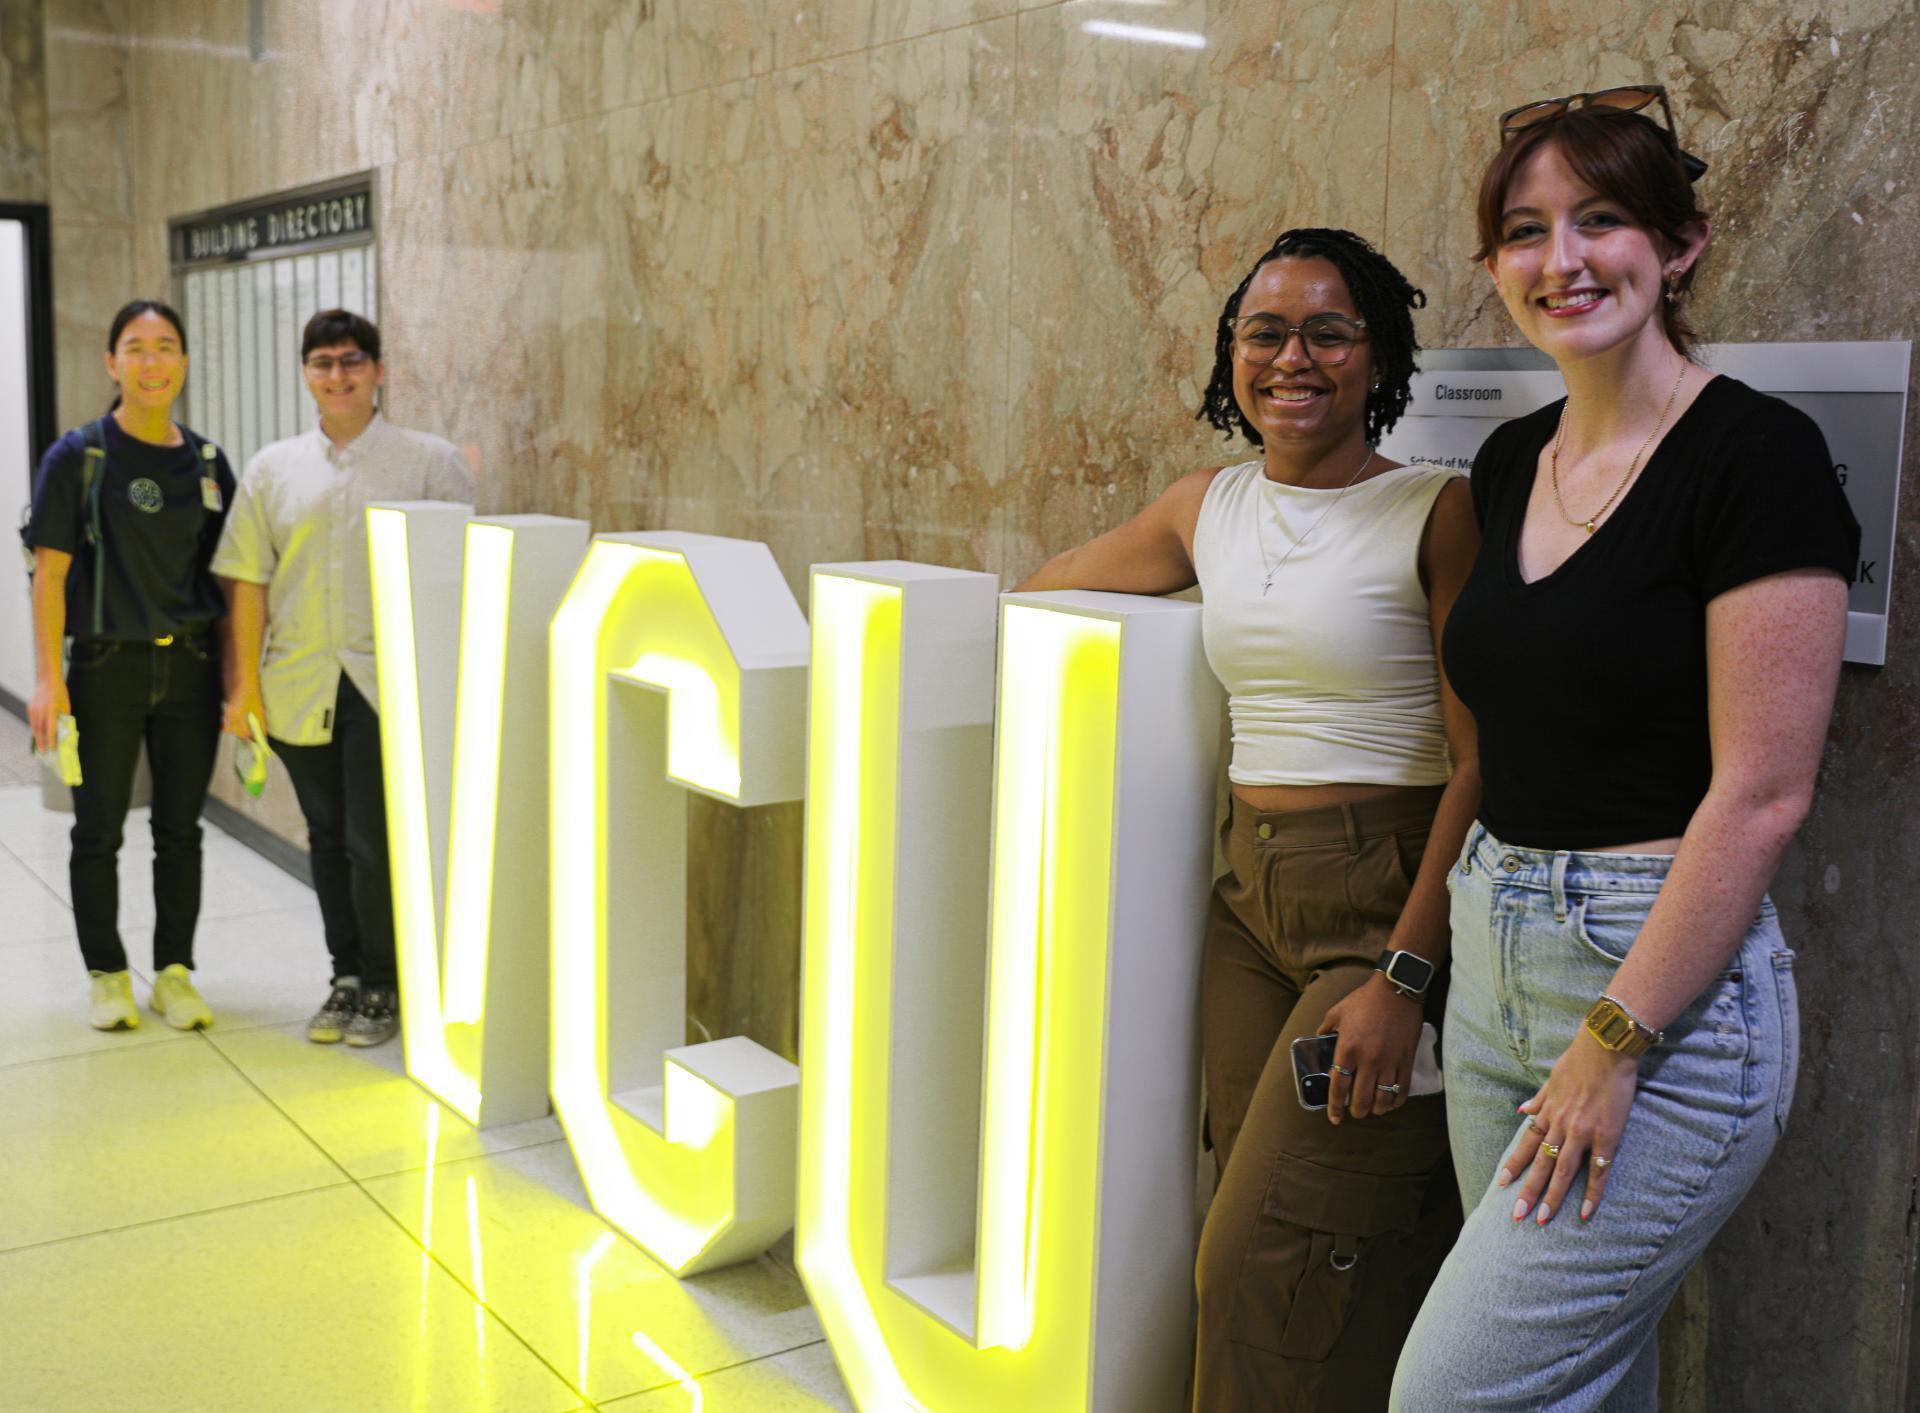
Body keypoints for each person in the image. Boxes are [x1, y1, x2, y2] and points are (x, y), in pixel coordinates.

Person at [1389, 90, 1860, 1411]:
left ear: (1680, 244)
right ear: (1493, 267)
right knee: (1579, 1379)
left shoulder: (1756, 458)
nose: (1565, 259)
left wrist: (1614, 1038)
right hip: (1496, 952)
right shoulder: (1509, 460)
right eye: (1526, 231)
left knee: (1454, 1392)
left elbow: (1764, 796)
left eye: (1602, 221)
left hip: (1660, 991)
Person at [1018, 228, 1481, 1410]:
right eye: (1265, 332)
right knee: (1275, 1222)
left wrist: (1407, 972)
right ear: (1231, 354)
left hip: (1378, 902)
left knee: (1264, 1255)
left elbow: (1485, 760)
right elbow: (1045, 586)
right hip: (1245, 906)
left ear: (1380, 359)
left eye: (1331, 331)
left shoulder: (1436, 512)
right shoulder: (1201, 508)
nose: (1294, 357)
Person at [211, 309, 473, 1048]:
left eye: (352, 360)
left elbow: (458, 577)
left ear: (379, 370)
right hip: (299, 682)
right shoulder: (272, 468)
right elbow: (249, 582)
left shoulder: (430, 462)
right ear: (306, 374)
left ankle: (386, 984)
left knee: (372, 840)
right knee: (325, 836)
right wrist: (245, 689)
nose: (338, 375)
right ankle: (345, 976)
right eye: (322, 362)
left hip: (388, 682)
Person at [23, 299, 235, 1031]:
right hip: (105, 669)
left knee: (181, 829)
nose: (152, 362)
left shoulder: (206, 462)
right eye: (136, 348)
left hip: (190, 670)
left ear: (183, 361)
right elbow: (48, 576)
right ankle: (107, 974)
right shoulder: (78, 457)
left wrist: (241, 687)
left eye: (166, 347)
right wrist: (49, 680)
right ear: (112, 363)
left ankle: (174, 972)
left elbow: (230, 584)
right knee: (98, 831)